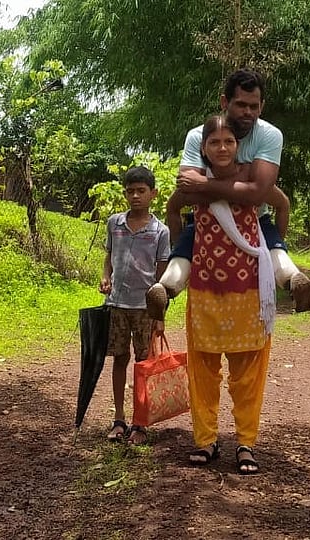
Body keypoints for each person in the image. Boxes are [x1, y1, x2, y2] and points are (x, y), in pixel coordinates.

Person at [145, 70, 310, 323]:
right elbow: (188, 189)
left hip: (253, 219)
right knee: (185, 251)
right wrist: (243, 179)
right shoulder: (197, 135)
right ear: (225, 103)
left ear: (262, 106)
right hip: (207, 219)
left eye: (254, 106)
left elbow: (258, 194)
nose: (248, 112)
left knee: (274, 250)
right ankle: (165, 289)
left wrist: (205, 182)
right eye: (241, 105)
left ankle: (293, 280)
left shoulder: (268, 135)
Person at [175, 111, 276, 475]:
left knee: (248, 373)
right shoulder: (192, 181)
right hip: (204, 287)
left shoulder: (251, 175)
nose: (222, 147)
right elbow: (173, 208)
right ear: (203, 147)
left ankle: (246, 443)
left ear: (239, 145)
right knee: (202, 370)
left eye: (229, 141)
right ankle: (206, 441)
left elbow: (279, 202)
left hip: (248, 287)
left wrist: (275, 246)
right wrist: (178, 251)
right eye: (214, 142)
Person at [100, 166, 170, 445]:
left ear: (153, 193)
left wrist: (160, 314)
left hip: (145, 309)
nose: (135, 196)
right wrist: (106, 276)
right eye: (130, 191)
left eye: (141, 191)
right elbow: (108, 257)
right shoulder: (114, 224)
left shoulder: (160, 231)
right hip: (117, 303)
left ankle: (140, 422)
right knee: (119, 359)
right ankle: (119, 418)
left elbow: (162, 277)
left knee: (144, 364)